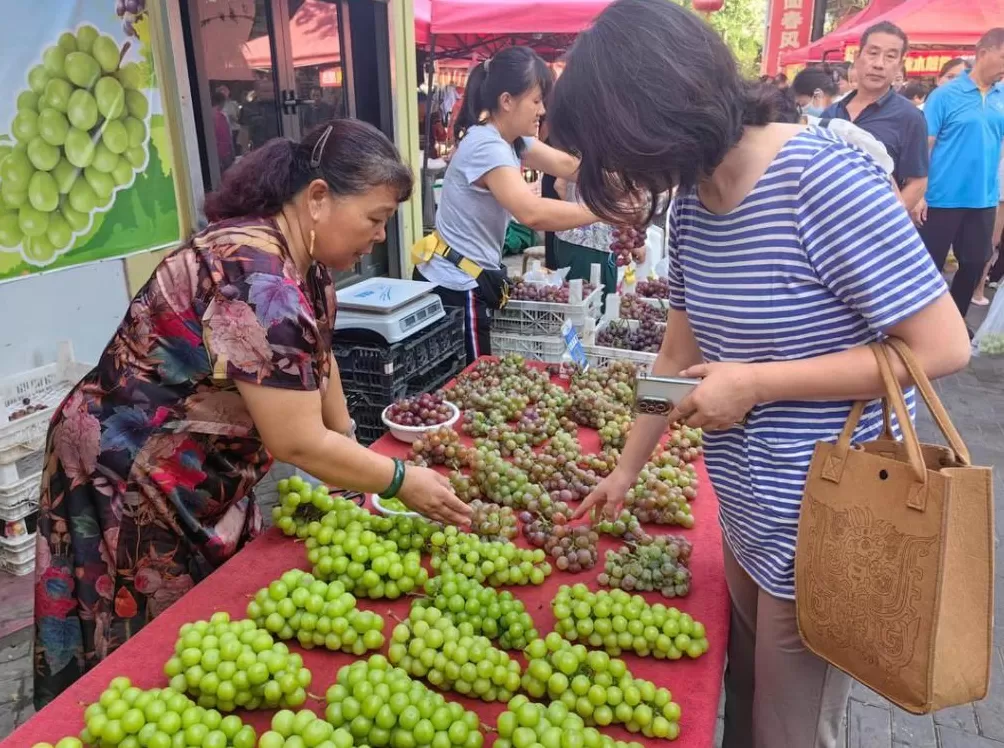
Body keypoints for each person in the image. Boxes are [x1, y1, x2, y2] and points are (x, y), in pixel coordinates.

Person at [548, 1, 971, 746]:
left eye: (617, 148)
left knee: (790, 730)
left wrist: (758, 383)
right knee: (744, 703)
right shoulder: (691, 205)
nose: (621, 171)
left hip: (827, 521)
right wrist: (626, 467)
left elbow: (942, 347)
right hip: (747, 513)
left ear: (656, 114)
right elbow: (675, 354)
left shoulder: (821, 181)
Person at [33, 120, 473, 708]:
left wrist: (352, 447)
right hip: (127, 468)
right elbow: (297, 441)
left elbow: (317, 365)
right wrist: (397, 479)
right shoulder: (258, 277)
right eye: (375, 218)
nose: (379, 236)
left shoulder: (305, 266)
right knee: (149, 643)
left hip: (194, 463)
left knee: (220, 612)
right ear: (318, 197)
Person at [411, 47, 596, 364]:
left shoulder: (510, 141)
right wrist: (600, 212)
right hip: (456, 286)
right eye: (536, 101)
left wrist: (618, 182)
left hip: (464, 277)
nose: (542, 110)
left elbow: (567, 165)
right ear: (507, 101)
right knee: (472, 376)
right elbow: (531, 213)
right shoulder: (487, 146)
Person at [913, 29, 1004, 319]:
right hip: (941, 197)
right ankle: (920, 324)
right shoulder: (944, 96)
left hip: (983, 198)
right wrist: (919, 193)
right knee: (928, 266)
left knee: (975, 262)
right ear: (983, 53)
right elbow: (924, 147)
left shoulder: (1002, 97)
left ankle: (954, 320)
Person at [822, 22, 929, 212]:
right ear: (857, 58)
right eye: (873, 53)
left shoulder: (910, 117)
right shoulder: (831, 114)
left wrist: (886, 219)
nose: (879, 64)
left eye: (890, 56)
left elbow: (918, 182)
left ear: (899, 66)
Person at [211, 88, 234, 172]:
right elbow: (226, 137)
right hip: (223, 153)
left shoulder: (207, 114)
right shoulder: (220, 116)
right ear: (222, 102)